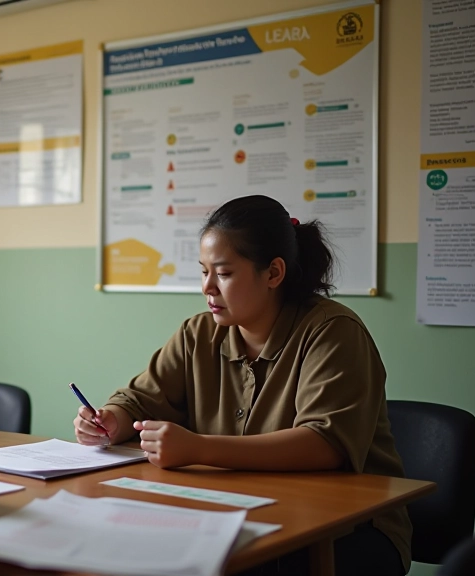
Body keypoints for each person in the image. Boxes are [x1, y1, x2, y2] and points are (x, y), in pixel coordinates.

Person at [73, 195, 411, 576]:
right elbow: (138, 400)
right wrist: (111, 420)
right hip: (233, 512)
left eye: (225, 273)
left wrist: (198, 448)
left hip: (348, 532)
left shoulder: (332, 332)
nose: (208, 288)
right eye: (203, 272)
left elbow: (324, 444)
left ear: (273, 274)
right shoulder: (197, 334)